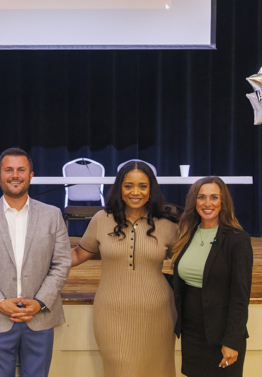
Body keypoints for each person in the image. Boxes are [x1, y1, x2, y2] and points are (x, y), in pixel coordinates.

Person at [0, 147, 71, 377]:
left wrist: (40, 302)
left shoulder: (52, 215)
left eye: (21, 170)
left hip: (40, 317)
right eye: (8, 170)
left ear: (31, 175)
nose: (15, 175)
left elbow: (61, 263)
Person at [69, 161, 180, 377]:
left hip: (159, 316)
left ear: (151, 189)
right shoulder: (102, 219)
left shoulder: (167, 224)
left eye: (142, 186)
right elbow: (78, 255)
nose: (135, 192)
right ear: (119, 188)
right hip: (111, 315)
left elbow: (186, 263)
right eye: (128, 186)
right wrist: (40, 262)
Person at [171, 176, 253, 377]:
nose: (207, 203)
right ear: (194, 201)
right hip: (191, 332)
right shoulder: (186, 233)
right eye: (201, 197)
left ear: (223, 202)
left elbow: (240, 298)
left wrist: (232, 341)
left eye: (214, 197)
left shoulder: (237, 240)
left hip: (221, 336)